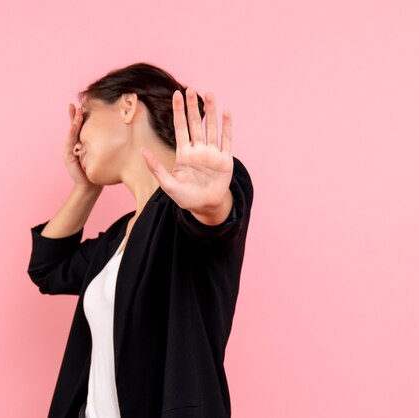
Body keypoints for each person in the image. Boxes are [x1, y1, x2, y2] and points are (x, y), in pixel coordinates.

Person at [26, 62, 253, 418]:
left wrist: (213, 205)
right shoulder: (119, 236)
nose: (76, 140)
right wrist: (86, 187)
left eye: (85, 117)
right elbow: (48, 269)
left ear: (128, 106)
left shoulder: (186, 206)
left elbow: (215, 224)